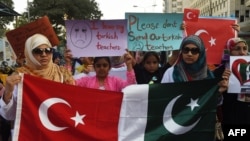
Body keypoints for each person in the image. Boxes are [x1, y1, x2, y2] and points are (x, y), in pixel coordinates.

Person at [0, 33, 75, 120]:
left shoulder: (62, 73)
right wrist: (8, 92)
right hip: (32, 129)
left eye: (48, 50)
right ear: (29, 53)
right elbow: (8, 115)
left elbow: (74, 103)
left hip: (58, 127)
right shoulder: (20, 76)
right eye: (38, 51)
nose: (44, 54)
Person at [220, 37, 250, 126]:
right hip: (229, 116)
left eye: (244, 48)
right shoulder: (220, 70)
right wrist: (222, 82)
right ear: (229, 51)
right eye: (237, 49)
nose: (242, 52)